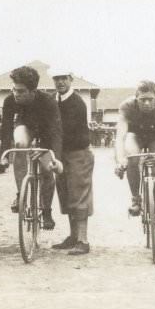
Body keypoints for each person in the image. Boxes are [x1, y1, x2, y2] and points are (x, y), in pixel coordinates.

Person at [0, 66, 63, 229]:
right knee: (19, 144)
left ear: (33, 91)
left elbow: (55, 132)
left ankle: (46, 211)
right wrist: (2, 157)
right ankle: (21, 194)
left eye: (21, 91)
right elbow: (6, 130)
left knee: (47, 169)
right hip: (25, 128)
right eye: (14, 90)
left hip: (46, 134)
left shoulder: (48, 101)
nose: (16, 94)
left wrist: (56, 159)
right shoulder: (10, 100)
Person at [114, 80, 155, 231]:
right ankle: (136, 199)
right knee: (132, 156)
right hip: (135, 135)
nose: (147, 103)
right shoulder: (127, 106)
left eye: (150, 99)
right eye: (142, 99)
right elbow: (120, 137)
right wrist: (120, 159)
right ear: (136, 98)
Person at [51, 68, 95, 255]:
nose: (60, 82)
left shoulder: (77, 102)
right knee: (66, 194)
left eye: (63, 78)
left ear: (71, 79)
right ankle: (73, 235)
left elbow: (64, 129)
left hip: (78, 153)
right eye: (57, 79)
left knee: (79, 195)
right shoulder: (54, 100)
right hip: (61, 153)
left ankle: (83, 241)